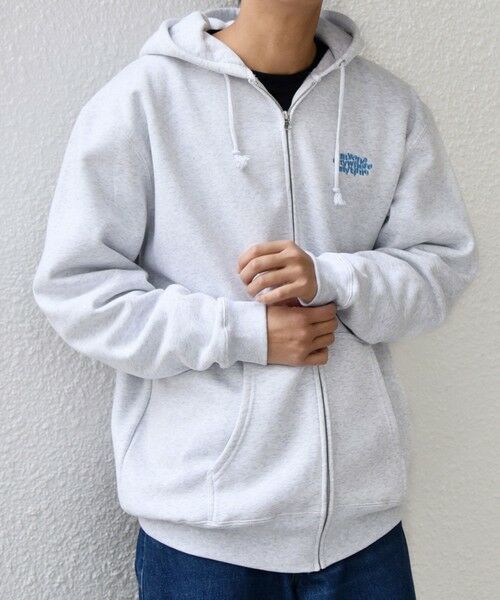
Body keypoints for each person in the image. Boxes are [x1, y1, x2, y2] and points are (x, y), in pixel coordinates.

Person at [32, 1, 478, 598]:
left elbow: (441, 267)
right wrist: (245, 332)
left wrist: (333, 279)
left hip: (363, 535)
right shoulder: (143, 100)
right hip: (204, 537)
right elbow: (77, 289)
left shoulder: (388, 106)